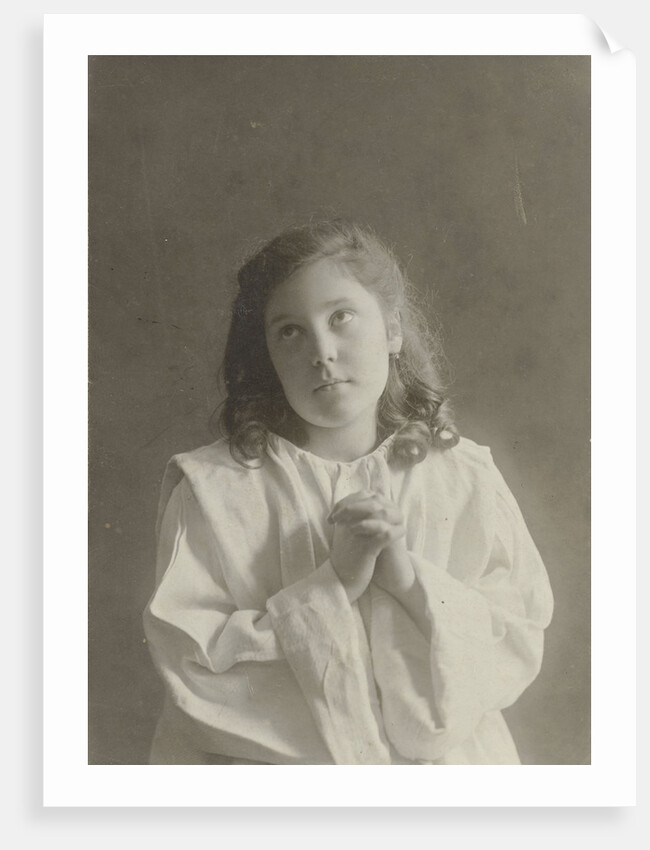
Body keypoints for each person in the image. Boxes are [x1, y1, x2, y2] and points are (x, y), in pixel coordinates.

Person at [143, 220, 554, 765]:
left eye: (341, 317)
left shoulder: (463, 478)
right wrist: (335, 584)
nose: (322, 352)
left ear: (392, 329)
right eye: (290, 331)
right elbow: (196, 670)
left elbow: (513, 639)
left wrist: (406, 580)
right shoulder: (216, 490)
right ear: (267, 355)